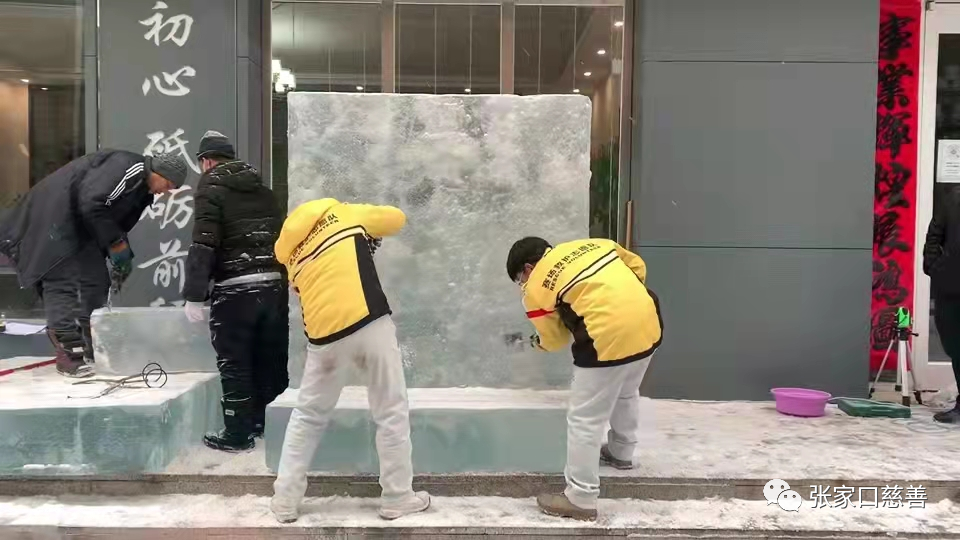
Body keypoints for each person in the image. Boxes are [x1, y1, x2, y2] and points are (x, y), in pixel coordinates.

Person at [270, 198, 430, 523]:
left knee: (308, 416)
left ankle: (284, 501)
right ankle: (398, 497)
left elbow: (301, 290)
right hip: (369, 322)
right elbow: (396, 219)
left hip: (324, 338)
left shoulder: (290, 253)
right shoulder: (343, 212)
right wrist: (365, 224)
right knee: (390, 410)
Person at [506, 236, 663, 521]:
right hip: (648, 323)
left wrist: (534, 343)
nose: (522, 285)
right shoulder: (595, 245)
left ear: (528, 268)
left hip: (607, 338)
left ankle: (580, 498)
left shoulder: (536, 286)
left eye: (519, 279)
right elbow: (637, 266)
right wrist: (621, 302)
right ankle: (621, 452)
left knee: (584, 420)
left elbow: (554, 340)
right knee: (626, 391)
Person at [0, 150, 187, 378]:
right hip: (54, 222)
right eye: (168, 185)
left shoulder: (141, 191)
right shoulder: (129, 168)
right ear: (158, 172)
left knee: (96, 281)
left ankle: (91, 344)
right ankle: (69, 352)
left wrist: (121, 255)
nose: (165, 192)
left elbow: (111, 223)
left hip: (78, 230)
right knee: (62, 282)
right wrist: (116, 245)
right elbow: (92, 203)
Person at [180, 131, 289, 451]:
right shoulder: (263, 190)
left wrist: (194, 295)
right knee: (270, 360)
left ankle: (238, 434)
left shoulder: (210, 187)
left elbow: (204, 243)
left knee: (235, 362)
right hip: (273, 286)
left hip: (235, 289)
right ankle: (266, 425)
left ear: (207, 162)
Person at [922, 185, 960, 424]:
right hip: (951, 284)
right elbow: (934, 234)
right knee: (954, 345)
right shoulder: (952, 198)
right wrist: (934, 266)